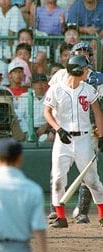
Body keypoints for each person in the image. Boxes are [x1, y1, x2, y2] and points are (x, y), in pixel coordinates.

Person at [43, 55, 103, 228]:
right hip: (64, 139)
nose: (88, 71)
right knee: (58, 179)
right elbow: (46, 112)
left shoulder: (88, 89)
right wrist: (58, 128)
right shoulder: (56, 89)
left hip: (84, 138)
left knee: (92, 179)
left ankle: (101, 215)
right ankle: (60, 217)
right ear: (77, 70)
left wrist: (101, 136)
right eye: (85, 69)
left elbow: (98, 113)